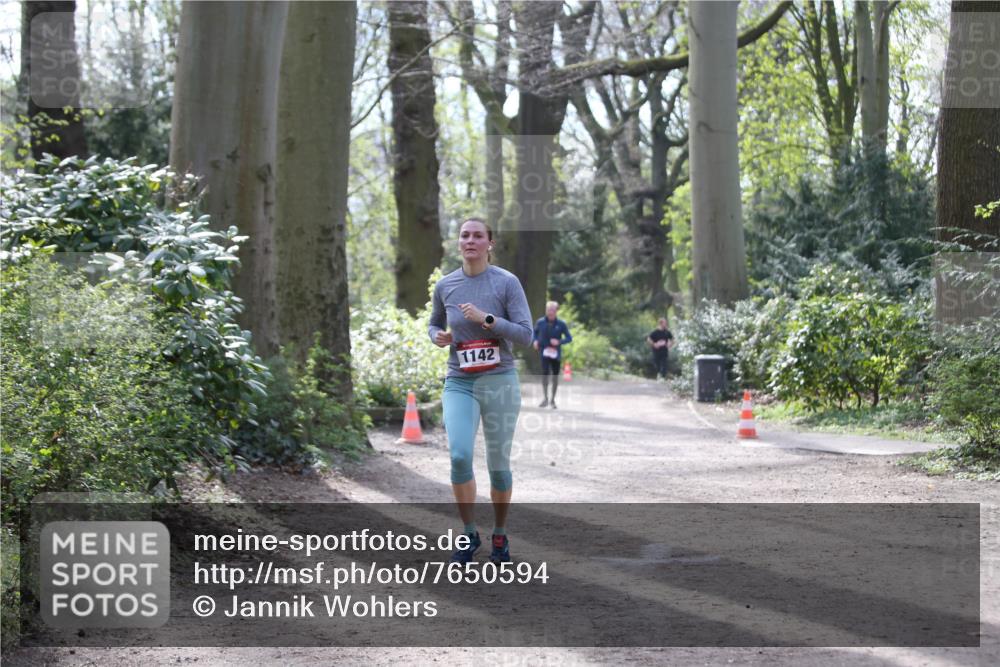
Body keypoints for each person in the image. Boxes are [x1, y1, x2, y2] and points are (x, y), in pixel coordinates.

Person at [428, 217, 533, 565]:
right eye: (464, 235)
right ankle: (470, 533)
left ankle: (499, 535)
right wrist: (438, 336)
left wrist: (487, 320)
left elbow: (525, 334)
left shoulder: (506, 283)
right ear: (458, 243)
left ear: (489, 244)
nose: (470, 241)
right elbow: (434, 323)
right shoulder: (446, 285)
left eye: (477, 236)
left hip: (499, 381)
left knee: (498, 465)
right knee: (459, 456)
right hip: (460, 380)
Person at [532, 301, 573, 409]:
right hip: (544, 353)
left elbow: (569, 338)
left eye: (553, 310)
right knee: (545, 374)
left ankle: (553, 400)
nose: (550, 312)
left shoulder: (561, 324)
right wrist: (535, 341)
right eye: (548, 310)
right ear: (546, 310)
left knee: (555, 376)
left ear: (556, 311)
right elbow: (534, 333)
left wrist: (559, 342)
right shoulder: (540, 322)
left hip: (556, 354)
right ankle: (545, 398)